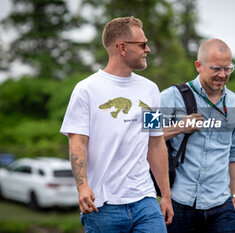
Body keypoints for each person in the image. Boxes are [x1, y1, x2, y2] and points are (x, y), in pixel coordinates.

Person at [60, 16, 173, 233]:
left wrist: (166, 195)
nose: (147, 49)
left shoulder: (150, 90)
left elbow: (156, 143)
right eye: (142, 44)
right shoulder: (86, 90)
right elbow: (78, 143)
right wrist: (82, 186)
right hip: (102, 206)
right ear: (122, 47)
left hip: (145, 201)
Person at [161, 38, 235, 233]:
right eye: (216, 68)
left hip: (221, 206)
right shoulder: (170, 96)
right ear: (199, 66)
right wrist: (180, 127)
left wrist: (234, 198)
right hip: (179, 204)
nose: (222, 75)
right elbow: (143, 134)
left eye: (228, 69)